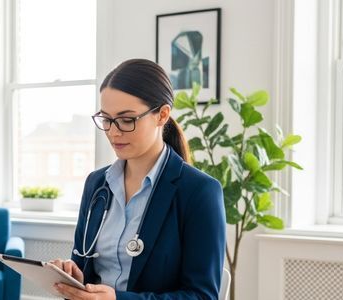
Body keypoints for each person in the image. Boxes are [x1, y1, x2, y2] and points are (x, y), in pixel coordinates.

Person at [50, 58, 226, 300]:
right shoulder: (96, 184)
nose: (113, 131)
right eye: (106, 119)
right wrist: (75, 278)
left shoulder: (199, 191)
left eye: (127, 120)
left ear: (162, 115)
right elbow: (85, 265)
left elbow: (202, 296)